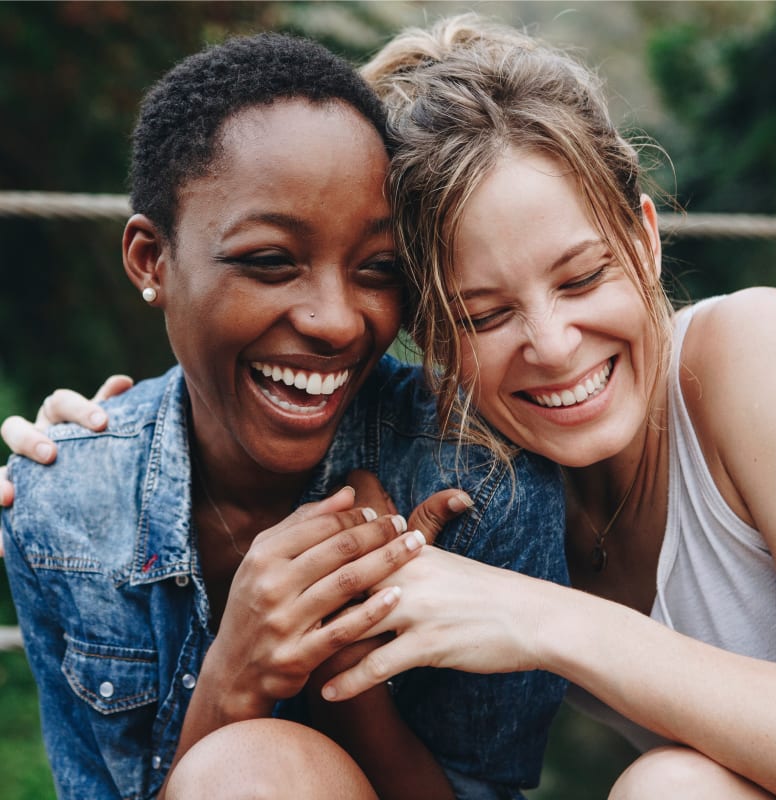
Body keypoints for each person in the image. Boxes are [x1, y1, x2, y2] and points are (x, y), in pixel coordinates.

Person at [10, 14, 776, 800]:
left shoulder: (758, 354)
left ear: (647, 239)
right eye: (484, 315)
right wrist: (107, 448)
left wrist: (550, 621)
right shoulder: (490, 469)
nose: (555, 346)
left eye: (584, 277)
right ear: (425, 331)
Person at [0, 30, 568, 800]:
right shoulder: (59, 506)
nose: (337, 321)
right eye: (270, 261)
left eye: (378, 270)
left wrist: (351, 674)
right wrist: (234, 678)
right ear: (150, 260)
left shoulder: (480, 482)